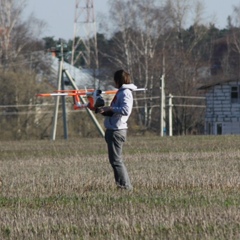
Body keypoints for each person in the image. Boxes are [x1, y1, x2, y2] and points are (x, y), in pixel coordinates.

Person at [99, 69, 137, 190]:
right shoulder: (122, 92)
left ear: (118, 80)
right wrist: (107, 111)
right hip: (113, 129)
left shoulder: (125, 92)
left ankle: (125, 187)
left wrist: (111, 109)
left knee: (116, 161)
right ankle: (122, 186)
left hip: (117, 130)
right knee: (115, 161)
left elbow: (126, 110)